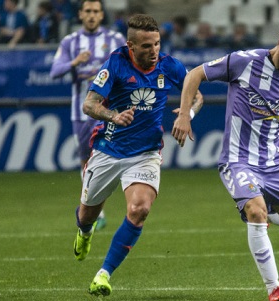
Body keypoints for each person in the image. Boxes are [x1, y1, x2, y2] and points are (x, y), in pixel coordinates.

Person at [171, 14, 279, 301]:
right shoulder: (244, 62)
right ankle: (274, 289)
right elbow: (195, 74)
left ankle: (263, 212)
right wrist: (185, 115)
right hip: (237, 161)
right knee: (255, 211)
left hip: (274, 167)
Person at [72, 13, 203, 297]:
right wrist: (113, 116)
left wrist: (187, 114)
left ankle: (103, 274)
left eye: (156, 43)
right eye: (146, 46)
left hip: (145, 153)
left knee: (139, 209)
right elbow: (89, 104)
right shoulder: (115, 64)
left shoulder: (170, 66)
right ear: (131, 46)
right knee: (87, 216)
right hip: (108, 150)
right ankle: (84, 232)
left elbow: (196, 95)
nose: (153, 50)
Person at [50, 0, 126, 231]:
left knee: (118, 158)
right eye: (88, 12)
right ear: (81, 15)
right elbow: (55, 71)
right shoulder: (70, 42)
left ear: (101, 15)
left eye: (96, 11)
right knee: (86, 161)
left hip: (110, 110)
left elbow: (129, 66)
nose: (92, 15)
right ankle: (96, 212)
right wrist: (75, 63)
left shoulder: (116, 40)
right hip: (81, 113)